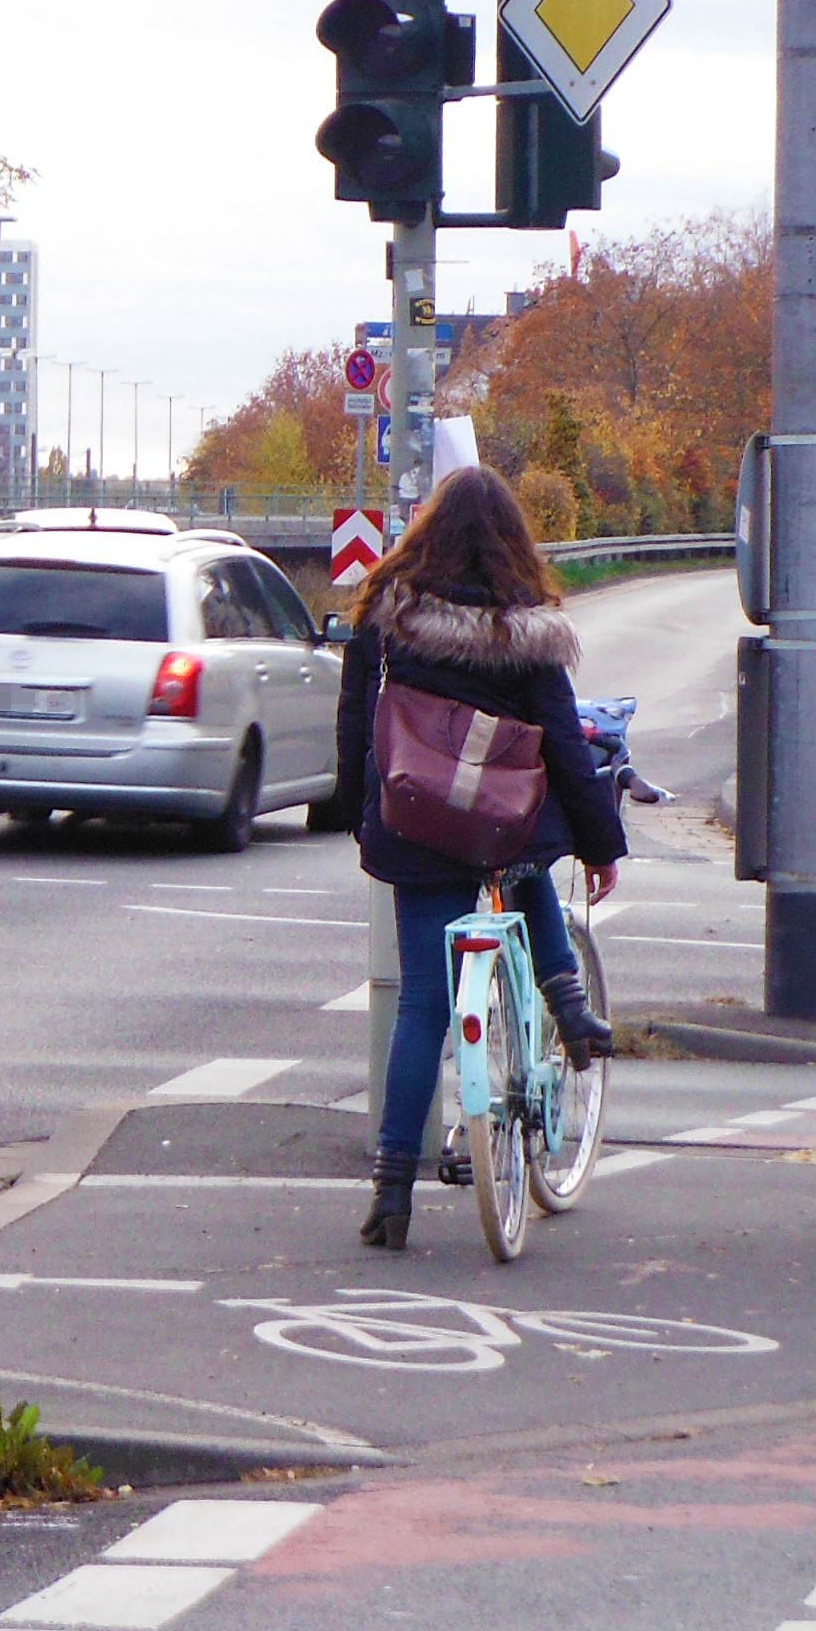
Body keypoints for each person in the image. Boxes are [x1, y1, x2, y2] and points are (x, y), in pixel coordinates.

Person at [335, 465, 627, 1252]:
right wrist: (602, 844)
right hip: (501, 833)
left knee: (423, 1005)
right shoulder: (526, 633)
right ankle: (566, 998)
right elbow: (564, 750)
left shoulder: (385, 620)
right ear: (511, 543)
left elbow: (357, 726)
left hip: (415, 827)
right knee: (534, 845)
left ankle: (392, 1191)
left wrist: (357, 818)